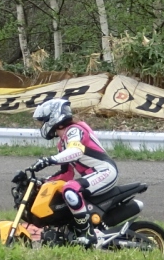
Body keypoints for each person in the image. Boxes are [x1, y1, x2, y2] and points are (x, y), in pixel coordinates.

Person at [30, 97, 118, 239]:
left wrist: (49, 160)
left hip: (104, 171)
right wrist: (44, 181)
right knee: (64, 190)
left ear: (53, 117)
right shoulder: (62, 143)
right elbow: (66, 173)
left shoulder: (75, 130)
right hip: (93, 174)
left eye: (44, 121)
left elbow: (76, 151)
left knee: (70, 189)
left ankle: (87, 232)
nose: (42, 125)